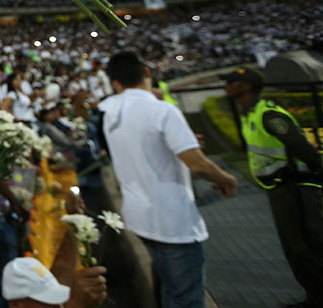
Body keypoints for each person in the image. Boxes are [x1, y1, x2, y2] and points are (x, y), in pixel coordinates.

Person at [99, 51, 238, 308]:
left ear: (115, 83)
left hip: (140, 217)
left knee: (170, 289)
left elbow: (141, 145)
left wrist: (183, 144)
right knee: (186, 298)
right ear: (147, 73)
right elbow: (198, 165)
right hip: (171, 220)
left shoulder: (110, 112)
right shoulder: (162, 111)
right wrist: (227, 178)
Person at [222, 67, 323, 307]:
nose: (227, 85)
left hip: (295, 188)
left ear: (247, 87)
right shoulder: (251, 114)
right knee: (294, 248)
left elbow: (305, 149)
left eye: (233, 81)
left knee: (308, 245)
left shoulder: (268, 115)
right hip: (279, 189)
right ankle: (314, 296)